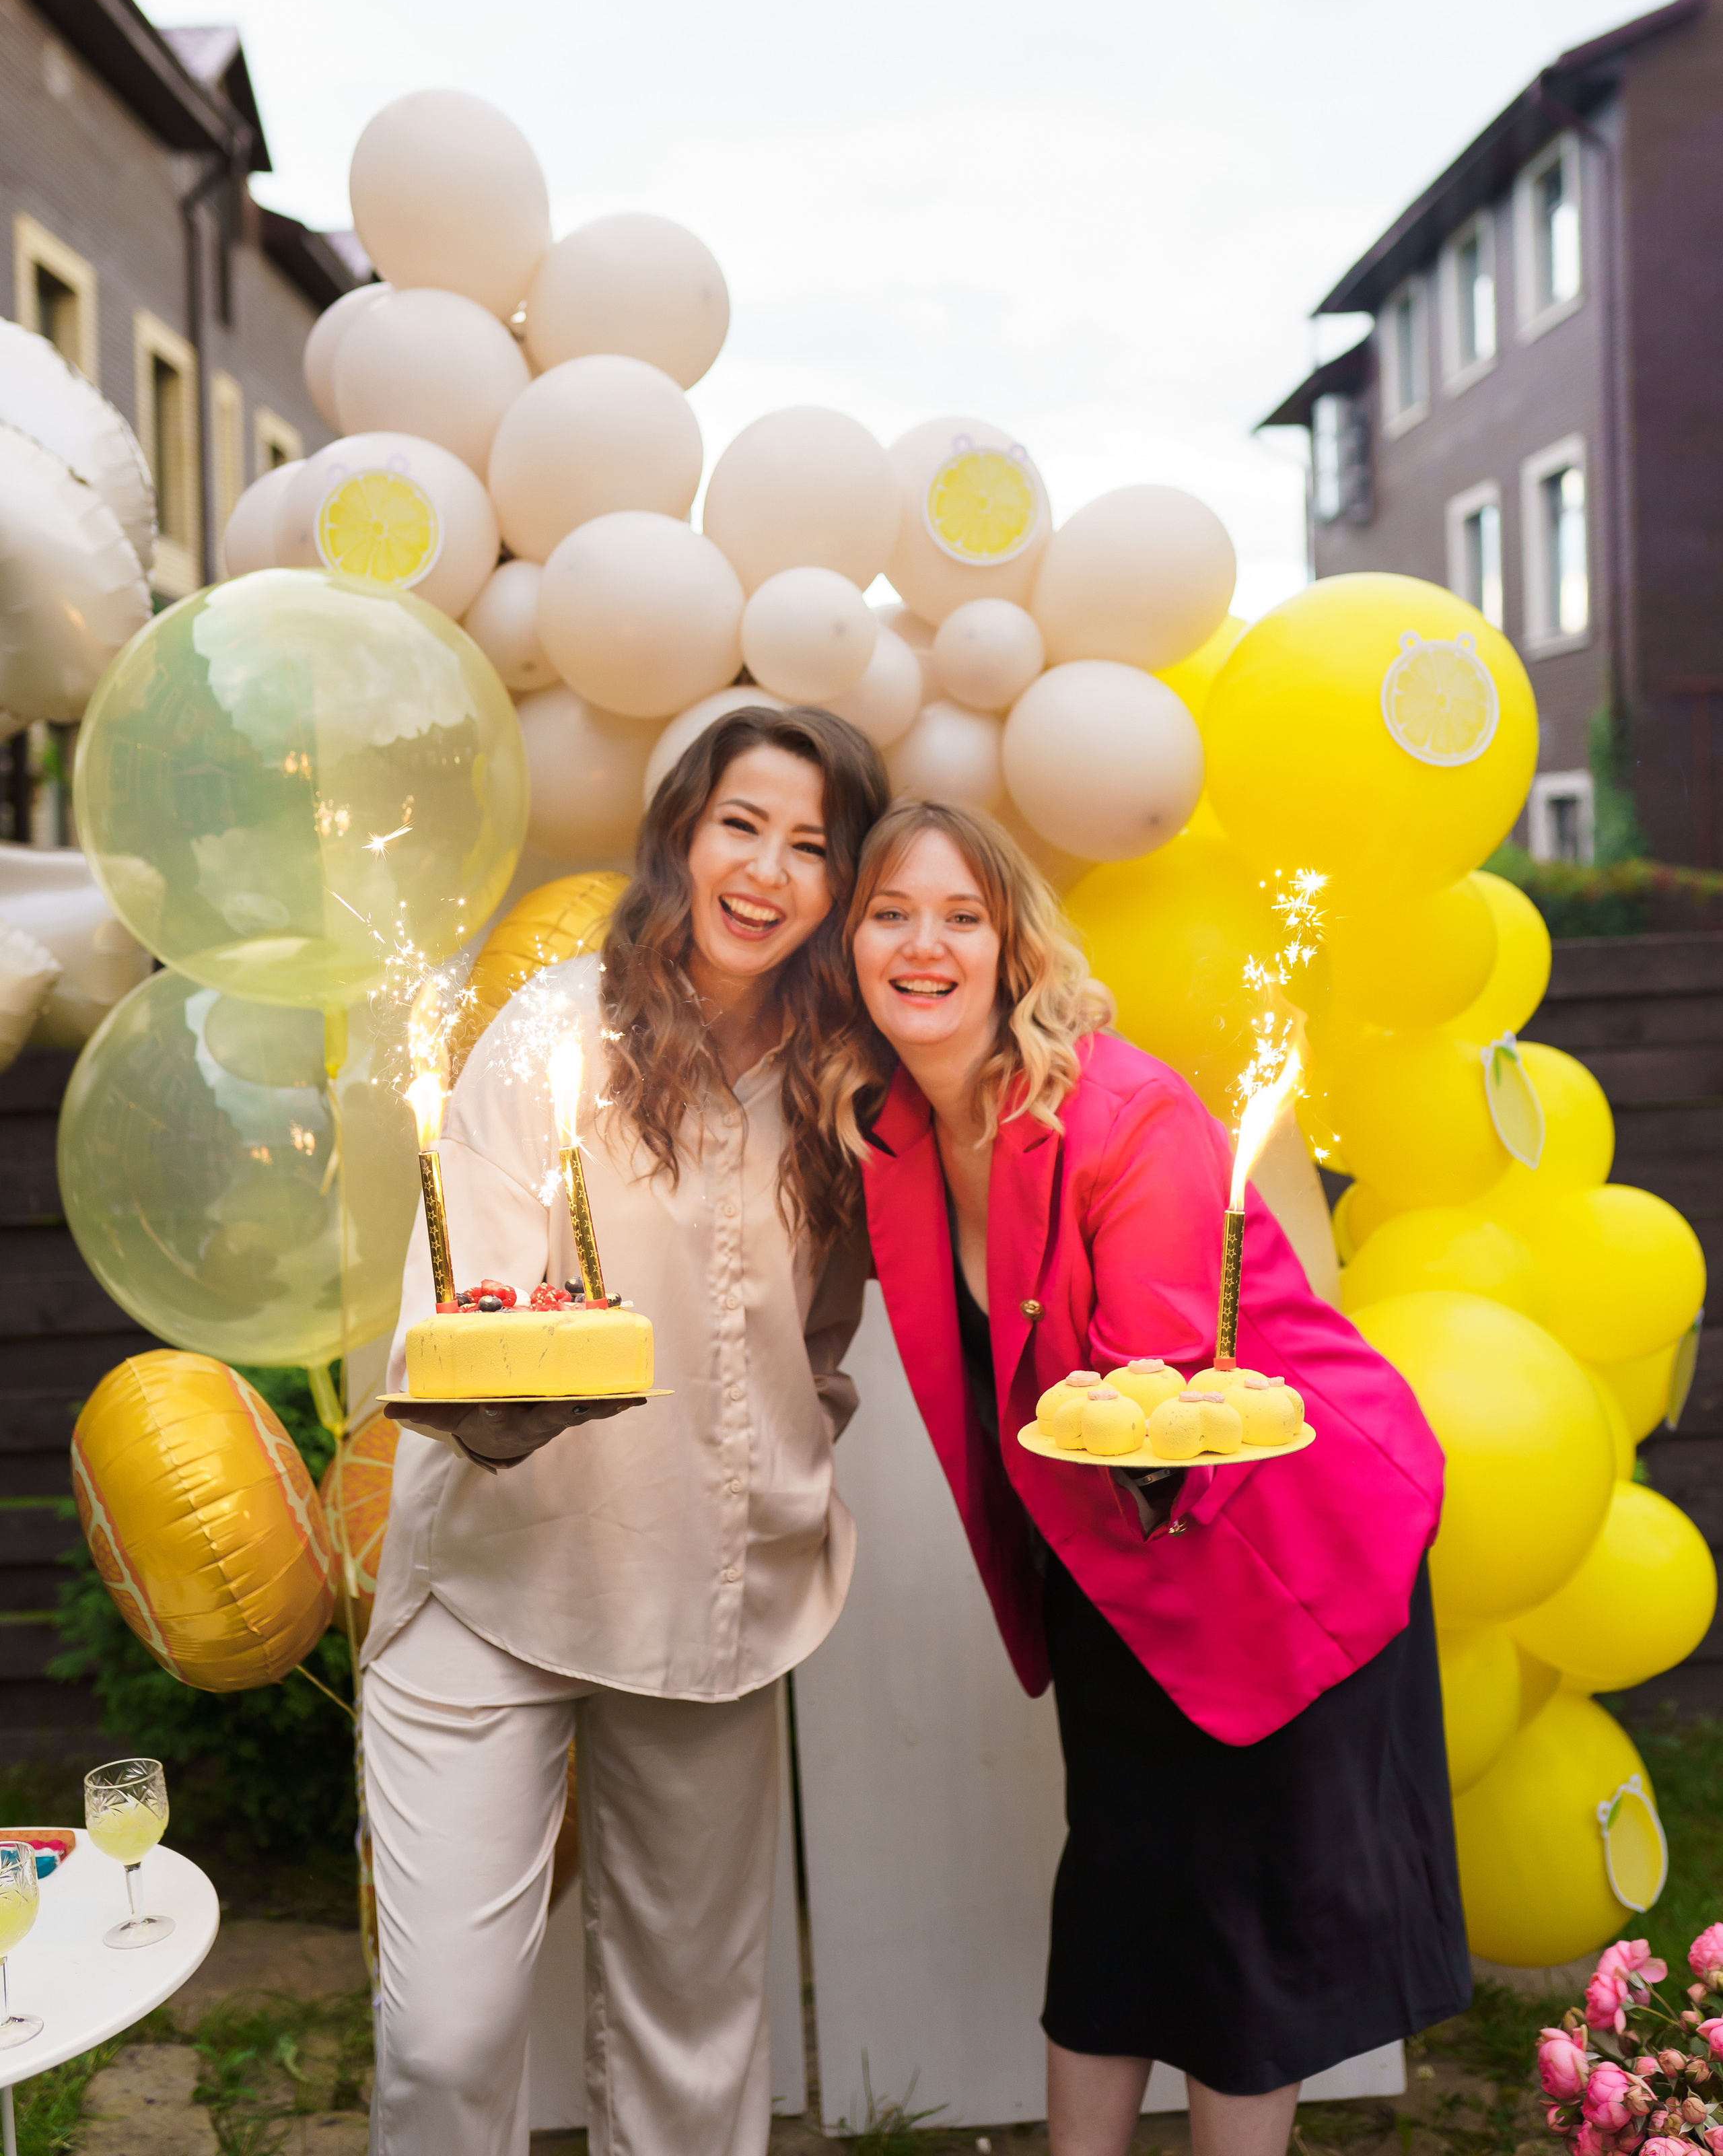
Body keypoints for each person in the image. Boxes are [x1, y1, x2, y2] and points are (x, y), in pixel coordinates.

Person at [825, 797, 1471, 2156]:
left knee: (1241, 1927)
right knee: (1116, 1899)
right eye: (890, 913)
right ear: (848, 945)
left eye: (961, 916)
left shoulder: (1125, 1113)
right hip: (1106, 1559)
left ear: (1013, 950)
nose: (922, 945)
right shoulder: (887, 1130)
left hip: (1278, 1543)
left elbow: (1163, 1405)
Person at [363, 706, 888, 2156]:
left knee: (693, 2037)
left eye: (810, 846)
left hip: (713, 1599)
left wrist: (785, 1451)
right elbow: (457, 1313)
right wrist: (496, 1411)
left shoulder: (845, 1079)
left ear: (841, 886)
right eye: (742, 826)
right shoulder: (550, 1037)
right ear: (679, 835)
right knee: (445, 2037)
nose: (767, 871)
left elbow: (819, 1335)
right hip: (498, 1574)